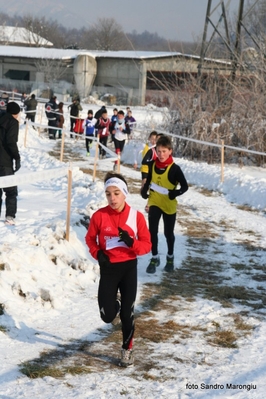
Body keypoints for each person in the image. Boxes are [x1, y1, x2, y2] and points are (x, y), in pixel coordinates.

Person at [85, 172, 151, 367]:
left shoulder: (135, 217)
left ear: (124, 194)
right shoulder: (99, 215)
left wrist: (131, 242)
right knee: (107, 315)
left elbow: (147, 246)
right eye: (108, 194)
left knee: (127, 314)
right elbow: (90, 239)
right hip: (109, 267)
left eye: (116, 193)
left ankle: (127, 350)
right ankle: (115, 304)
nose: (112, 198)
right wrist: (98, 253)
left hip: (128, 267)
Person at [141, 135, 188, 274]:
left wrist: (176, 193)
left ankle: (170, 257)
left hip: (168, 204)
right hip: (155, 201)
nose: (161, 154)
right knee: (152, 231)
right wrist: (144, 191)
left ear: (170, 151)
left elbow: (185, 187)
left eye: (164, 151)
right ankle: (154, 257)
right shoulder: (153, 164)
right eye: (159, 151)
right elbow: (148, 180)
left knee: (168, 233)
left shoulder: (175, 169)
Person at [0, 101, 21, 225]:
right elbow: (11, 142)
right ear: (16, 113)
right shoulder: (13, 123)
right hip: (6, 162)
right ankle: (10, 216)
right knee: (11, 190)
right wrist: (17, 158)